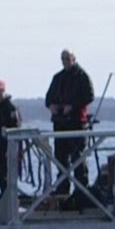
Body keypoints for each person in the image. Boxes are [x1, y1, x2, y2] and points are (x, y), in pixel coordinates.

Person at [45, 48, 95, 192]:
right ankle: (62, 190)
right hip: (60, 124)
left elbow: (89, 95)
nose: (65, 62)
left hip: (77, 123)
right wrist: (52, 106)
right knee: (60, 159)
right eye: (63, 59)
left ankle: (82, 191)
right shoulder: (58, 77)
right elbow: (48, 98)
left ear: (74, 58)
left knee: (78, 159)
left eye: (67, 58)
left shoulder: (82, 76)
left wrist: (72, 106)